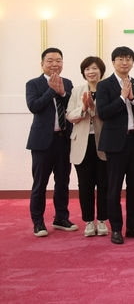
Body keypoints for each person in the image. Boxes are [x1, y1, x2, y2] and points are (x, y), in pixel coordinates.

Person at [96, 46, 134, 245]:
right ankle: (116, 229)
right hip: (115, 143)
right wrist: (121, 97)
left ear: (133, 62)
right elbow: (103, 113)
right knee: (114, 188)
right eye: (120, 59)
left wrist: (133, 98)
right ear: (113, 62)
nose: (124, 62)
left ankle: (133, 226)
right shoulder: (104, 85)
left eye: (128, 59)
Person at [26, 47, 77, 237]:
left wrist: (62, 93)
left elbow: (72, 107)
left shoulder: (68, 83)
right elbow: (34, 106)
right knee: (40, 183)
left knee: (63, 181)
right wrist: (51, 91)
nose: (55, 64)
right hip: (42, 142)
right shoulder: (33, 84)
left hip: (64, 140)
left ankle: (61, 218)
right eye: (50, 60)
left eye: (58, 60)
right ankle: (38, 222)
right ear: (42, 64)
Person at [66, 56, 108, 237]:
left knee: (104, 183)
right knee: (85, 184)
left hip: (103, 143)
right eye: (88, 69)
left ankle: (102, 220)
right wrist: (83, 108)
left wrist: (94, 108)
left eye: (95, 68)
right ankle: (89, 221)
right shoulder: (77, 91)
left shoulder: (107, 89)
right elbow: (70, 115)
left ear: (101, 71)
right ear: (83, 72)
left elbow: (109, 114)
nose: (91, 72)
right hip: (81, 143)